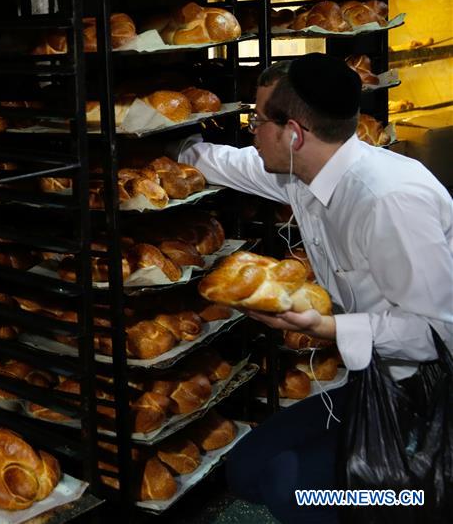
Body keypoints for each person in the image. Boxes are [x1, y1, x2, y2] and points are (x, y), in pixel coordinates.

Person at [174, 53, 453, 523]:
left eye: (257, 121)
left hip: (430, 389)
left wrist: (326, 327)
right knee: (246, 471)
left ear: (294, 133)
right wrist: (173, 146)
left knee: (296, 492)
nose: (251, 130)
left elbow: (437, 332)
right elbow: (234, 163)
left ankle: (414, 502)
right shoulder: (307, 171)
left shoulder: (387, 201)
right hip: (374, 377)